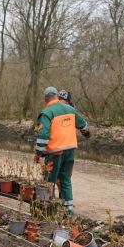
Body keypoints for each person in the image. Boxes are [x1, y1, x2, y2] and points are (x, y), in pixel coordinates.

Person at [34, 86, 90, 215]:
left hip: (55, 152)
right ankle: (68, 210)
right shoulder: (70, 109)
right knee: (65, 179)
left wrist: (39, 153)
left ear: (45, 99)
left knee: (49, 181)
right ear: (57, 96)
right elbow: (84, 125)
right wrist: (86, 134)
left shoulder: (47, 112)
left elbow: (43, 136)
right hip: (70, 150)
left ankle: (48, 210)